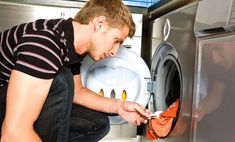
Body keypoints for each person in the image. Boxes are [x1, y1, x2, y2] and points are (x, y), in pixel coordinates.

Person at [0, 0, 152, 141]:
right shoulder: (44, 44)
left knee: (97, 123)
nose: (114, 51)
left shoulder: (69, 44)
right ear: (100, 24)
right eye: (116, 40)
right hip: (8, 118)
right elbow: (13, 133)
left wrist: (119, 106)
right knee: (61, 80)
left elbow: (77, 92)